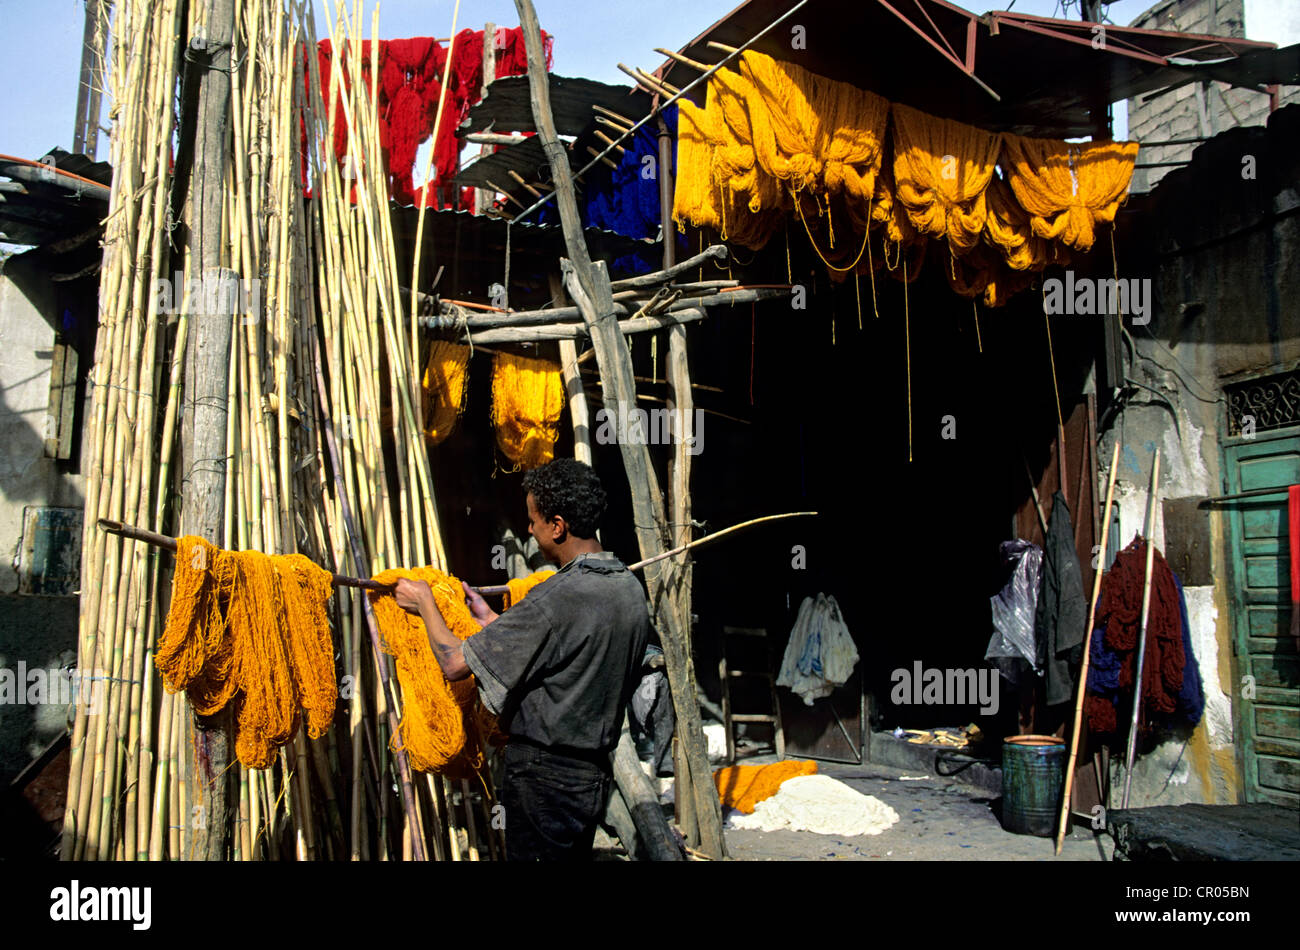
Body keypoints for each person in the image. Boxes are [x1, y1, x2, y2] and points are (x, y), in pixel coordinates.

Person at [393, 458, 651, 861]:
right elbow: (563, 648)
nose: (529, 529)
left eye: (533, 520)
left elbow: (455, 664)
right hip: (591, 776)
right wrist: (491, 621)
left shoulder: (558, 596)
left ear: (558, 525)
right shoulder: (628, 590)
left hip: (543, 781)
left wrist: (425, 603)